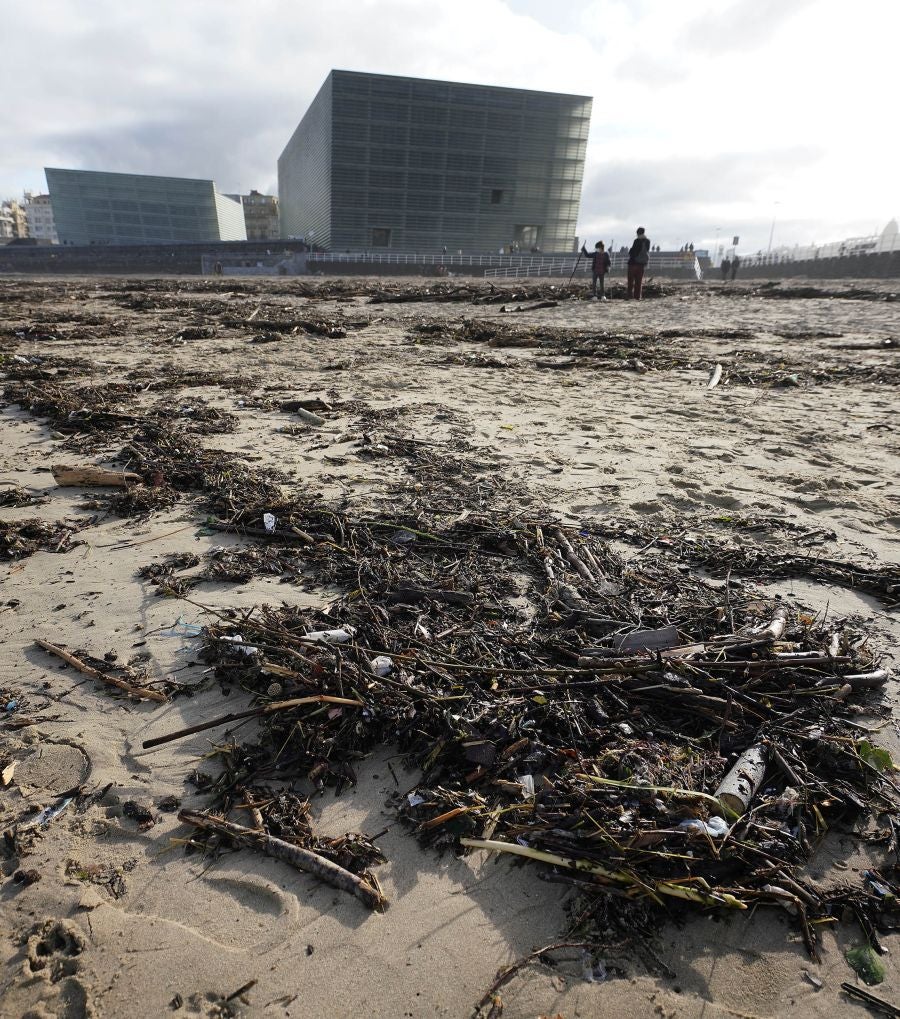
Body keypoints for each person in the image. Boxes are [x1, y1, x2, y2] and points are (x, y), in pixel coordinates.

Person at [627, 227, 651, 299]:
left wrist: (630, 251)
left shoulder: (636, 241)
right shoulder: (648, 241)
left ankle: (630, 296)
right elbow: (647, 250)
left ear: (637, 233)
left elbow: (633, 251)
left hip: (633, 263)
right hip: (642, 264)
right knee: (639, 281)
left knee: (631, 281)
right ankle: (638, 297)